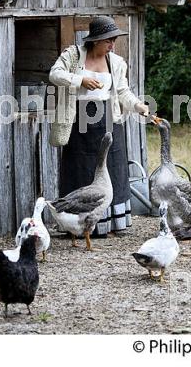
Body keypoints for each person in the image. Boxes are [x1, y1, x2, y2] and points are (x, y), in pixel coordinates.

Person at [49, 16, 149, 236]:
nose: (112, 45)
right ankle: (77, 225)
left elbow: (122, 92)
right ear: (95, 40)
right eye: (108, 40)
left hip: (108, 120)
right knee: (81, 168)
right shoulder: (73, 56)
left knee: (111, 167)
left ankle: (111, 224)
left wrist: (138, 106)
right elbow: (54, 74)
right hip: (80, 120)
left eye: (113, 40)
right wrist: (80, 80)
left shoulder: (116, 62)